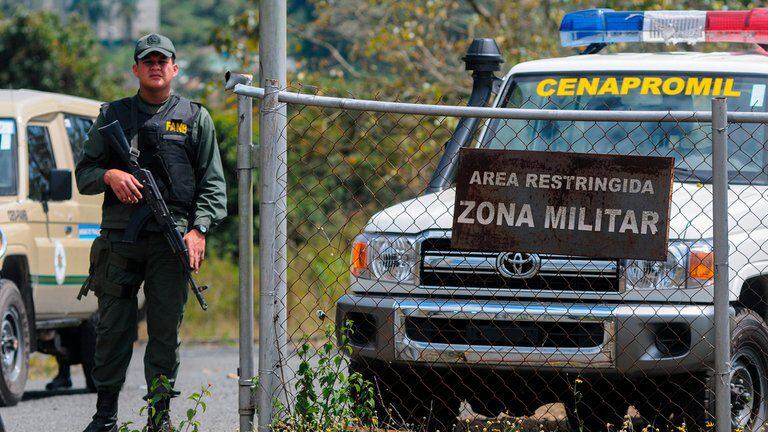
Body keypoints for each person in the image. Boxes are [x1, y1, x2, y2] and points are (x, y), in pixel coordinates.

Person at [75, 33, 227, 432]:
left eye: (163, 60)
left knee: (164, 333)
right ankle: (105, 416)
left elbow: (212, 185)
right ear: (136, 69)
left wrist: (199, 230)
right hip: (120, 243)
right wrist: (110, 174)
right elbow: (83, 175)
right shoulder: (112, 116)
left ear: (175, 68)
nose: (156, 66)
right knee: (112, 329)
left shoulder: (196, 118)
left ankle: (159, 418)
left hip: (170, 242)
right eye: (148, 60)